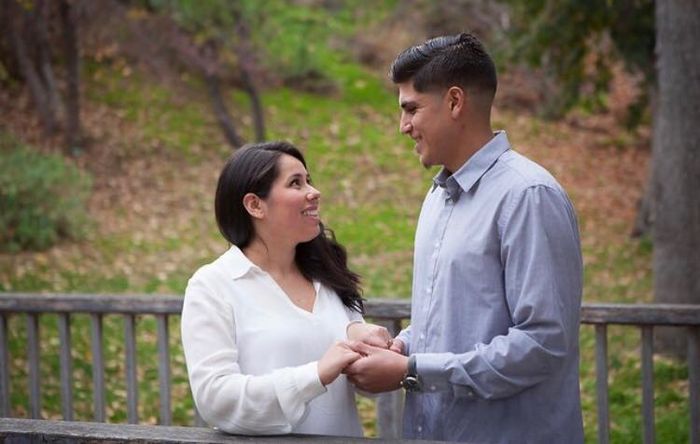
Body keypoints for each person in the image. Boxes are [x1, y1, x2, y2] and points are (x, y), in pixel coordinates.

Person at [344, 32, 584, 443]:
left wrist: (413, 371)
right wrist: (402, 347)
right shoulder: (437, 197)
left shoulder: (528, 196)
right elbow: (454, 323)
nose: (403, 127)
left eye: (411, 109)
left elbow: (543, 344)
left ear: (455, 102)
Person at [181, 141, 370, 437]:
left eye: (308, 180)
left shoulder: (329, 275)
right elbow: (216, 400)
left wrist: (375, 349)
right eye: (296, 183)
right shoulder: (212, 286)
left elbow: (364, 387)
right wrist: (315, 375)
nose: (314, 192)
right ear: (255, 205)